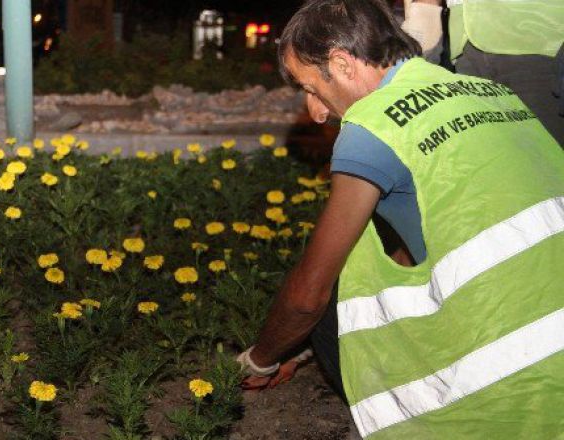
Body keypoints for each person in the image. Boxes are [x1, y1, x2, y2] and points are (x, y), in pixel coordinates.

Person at [236, 0, 564, 438]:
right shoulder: (488, 92)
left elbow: (307, 297)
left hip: (516, 388)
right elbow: (437, 232)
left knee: (332, 293)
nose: (315, 111)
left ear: (342, 64)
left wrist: (263, 356)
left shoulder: (373, 126)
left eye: (310, 87)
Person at [403, 0, 564, 144]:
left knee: (547, 151)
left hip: (532, 36)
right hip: (465, 45)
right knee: (493, 153)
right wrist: (425, 11)